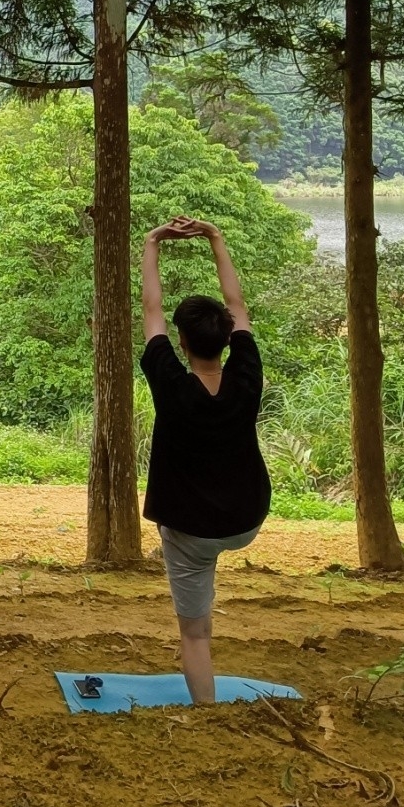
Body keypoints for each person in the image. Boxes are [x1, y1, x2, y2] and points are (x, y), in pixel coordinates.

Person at [139, 214, 272, 704]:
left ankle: (208, 712)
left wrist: (152, 242)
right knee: (201, 583)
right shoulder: (247, 375)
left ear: (181, 342)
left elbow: (151, 308)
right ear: (229, 338)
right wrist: (215, 236)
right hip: (244, 519)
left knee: (194, 634)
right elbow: (238, 304)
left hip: (192, 529)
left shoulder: (171, 384)